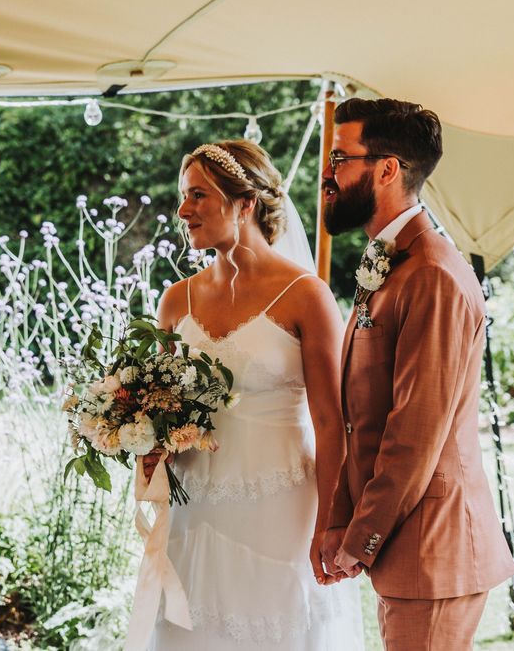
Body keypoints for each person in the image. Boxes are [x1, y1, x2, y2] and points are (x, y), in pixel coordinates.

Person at [143, 140, 363, 650]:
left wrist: (332, 522)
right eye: (183, 196)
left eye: (198, 195)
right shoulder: (177, 300)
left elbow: (332, 423)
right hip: (194, 505)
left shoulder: (306, 296)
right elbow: (160, 406)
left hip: (281, 508)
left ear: (245, 204)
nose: (183, 210)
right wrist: (141, 441)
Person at [319, 98, 514, 651]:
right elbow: (362, 418)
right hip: (409, 547)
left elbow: (415, 433)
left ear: (386, 170)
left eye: (339, 158)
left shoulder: (431, 274)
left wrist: (359, 539)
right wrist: (339, 518)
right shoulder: (394, 261)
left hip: (434, 548)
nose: (327, 175)